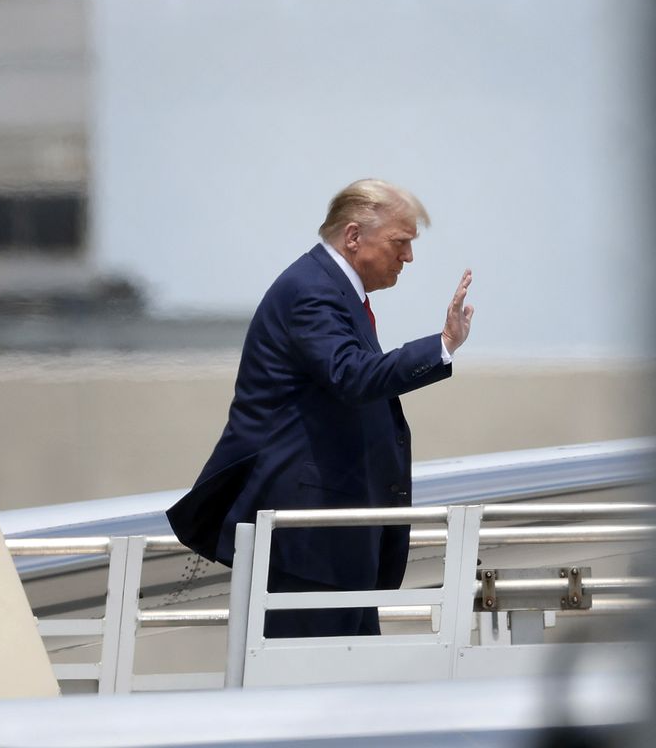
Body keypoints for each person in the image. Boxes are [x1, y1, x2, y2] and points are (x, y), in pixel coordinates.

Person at [167, 178, 474, 638]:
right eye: (401, 242)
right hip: (307, 543)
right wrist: (442, 346)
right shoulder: (312, 289)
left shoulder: (334, 290)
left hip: (335, 543)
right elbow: (350, 377)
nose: (408, 257)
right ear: (354, 237)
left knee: (347, 694)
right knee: (308, 694)